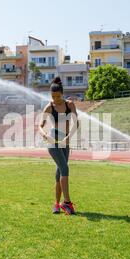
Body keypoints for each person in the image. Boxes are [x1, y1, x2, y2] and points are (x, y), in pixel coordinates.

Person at [39, 77, 79, 215]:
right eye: (52, 96)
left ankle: (56, 204)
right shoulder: (49, 107)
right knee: (65, 168)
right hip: (53, 140)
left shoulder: (70, 105)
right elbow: (40, 126)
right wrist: (45, 135)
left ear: (62, 93)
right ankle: (67, 202)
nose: (55, 99)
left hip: (66, 141)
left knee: (59, 173)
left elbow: (76, 123)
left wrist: (69, 137)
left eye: (57, 96)